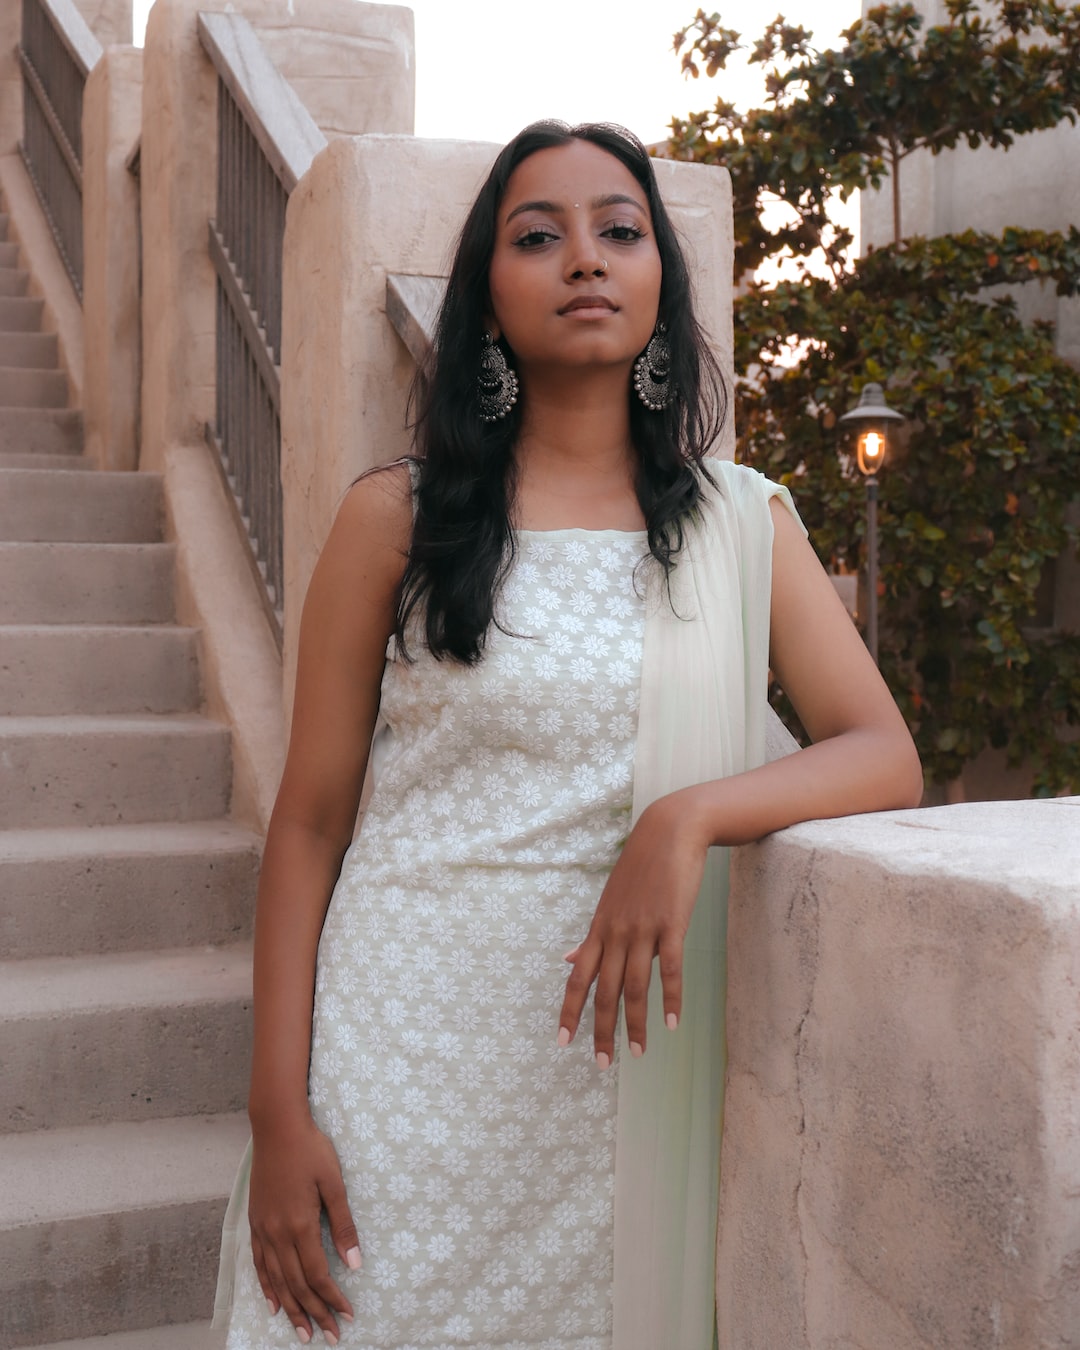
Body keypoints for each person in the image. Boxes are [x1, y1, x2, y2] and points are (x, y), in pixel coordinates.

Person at [214, 120, 923, 1350]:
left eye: (620, 230)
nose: (584, 259)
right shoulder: (400, 518)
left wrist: (689, 814)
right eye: (538, 237)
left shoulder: (742, 525)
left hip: (615, 1084)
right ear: (489, 295)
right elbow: (311, 825)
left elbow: (882, 753)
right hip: (398, 1057)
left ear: (660, 279)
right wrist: (279, 1113)